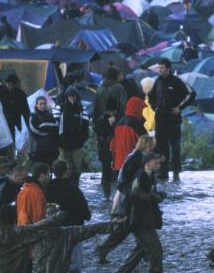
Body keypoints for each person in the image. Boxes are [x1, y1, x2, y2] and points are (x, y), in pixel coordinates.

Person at [96, 135, 156, 264]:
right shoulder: (135, 158)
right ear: (145, 145)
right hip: (131, 200)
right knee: (126, 229)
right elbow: (123, 180)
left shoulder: (141, 158)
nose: (152, 149)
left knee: (137, 230)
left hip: (137, 200)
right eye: (150, 146)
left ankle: (143, 254)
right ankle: (105, 249)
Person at [111, 152, 166, 273]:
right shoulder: (141, 175)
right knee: (155, 248)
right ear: (147, 163)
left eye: (159, 163)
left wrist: (158, 195)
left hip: (144, 217)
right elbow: (135, 193)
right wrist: (153, 197)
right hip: (139, 219)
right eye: (156, 162)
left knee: (141, 248)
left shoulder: (150, 175)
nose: (158, 165)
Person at [45, 160, 92, 273]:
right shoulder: (73, 190)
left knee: (56, 261)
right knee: (75, 262)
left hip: (53, 231)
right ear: (66, 171)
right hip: (74, 230)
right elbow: (85, 212)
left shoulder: (46, 189)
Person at [149, 58, 195, 181]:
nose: (160, 70)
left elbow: (191, 94)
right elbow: (151, 97)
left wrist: (180, 108)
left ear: (168, 68)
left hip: (173, 119)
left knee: (175, 147)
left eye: (162, 68)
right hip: (160, 119)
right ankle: (163, 172)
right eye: (159, 67)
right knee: (161, 147)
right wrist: (155, 108)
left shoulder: (177, 81)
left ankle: (176, 171)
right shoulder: (157, 81)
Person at [93, 67, 128, 198]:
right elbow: (123, 106)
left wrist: (99, 121)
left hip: (102, 125)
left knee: (105, 154)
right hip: (115, 125)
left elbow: (96, 108)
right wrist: (116, 118)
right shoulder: (119, 88)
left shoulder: (100, 87)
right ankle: (115, 179)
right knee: (115, 151)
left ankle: (105, 179)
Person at [54, 86, 89, 181]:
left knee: (77, 166)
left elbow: (86, 126)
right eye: (70, 95)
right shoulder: (59, 108)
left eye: (73, 95)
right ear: (66, 96)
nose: (72, 97)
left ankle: (75, 184)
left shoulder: (82, 109)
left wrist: (82, 139)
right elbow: (54, 124)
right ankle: (62, 183)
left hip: (77, 143)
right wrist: (58, 139)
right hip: (62, 143)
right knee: (62, 165)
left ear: (77, 96)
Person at [109, 97, 147, 178]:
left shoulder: (119, 122)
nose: (142, 112)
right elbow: (147, 143)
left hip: (119, 164)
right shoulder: (137, 124)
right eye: (141, 109)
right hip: (133, 164)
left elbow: (112, 145)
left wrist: (113, 160)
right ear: (137, 108)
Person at [0, 74, 29, 145]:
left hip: (15, 119)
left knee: (13, 139)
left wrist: (27, 123)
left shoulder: (20, 94)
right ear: (6, 84)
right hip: (4, 119)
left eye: (12, 85)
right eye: (8, 85)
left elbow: (25, 110)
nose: (10, 87)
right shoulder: (1, 92)